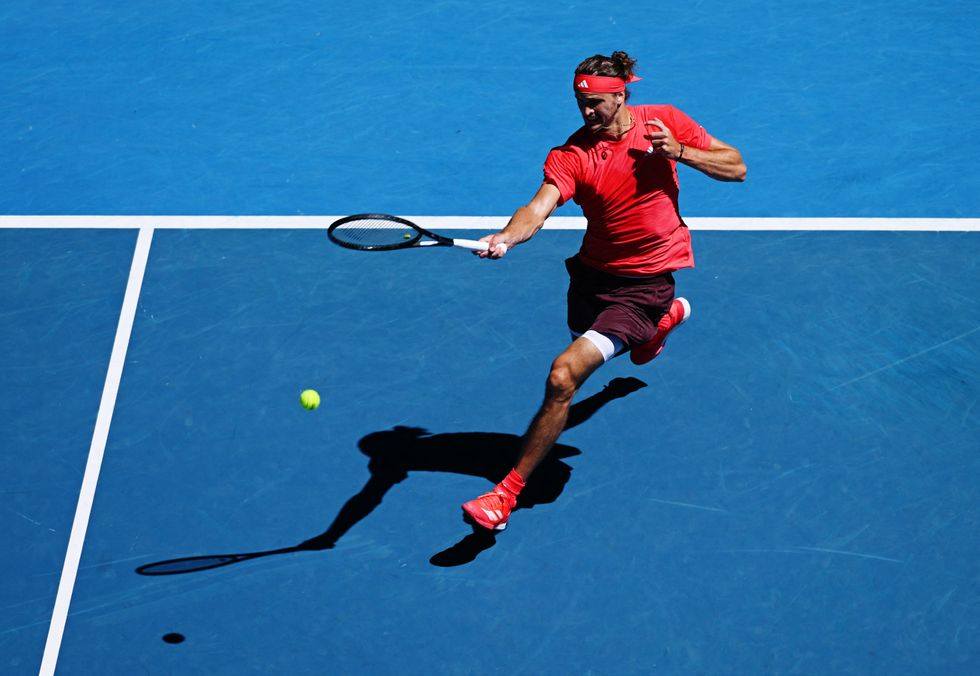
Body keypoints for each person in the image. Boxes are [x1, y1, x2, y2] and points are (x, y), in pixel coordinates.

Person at [461, 51, 746, 532]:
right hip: (593, 277)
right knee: (584, 342)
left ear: (620, 94)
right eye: (580, 102)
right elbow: (538, 208)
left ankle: (503, 497)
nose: (586, 112)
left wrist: (679, 152)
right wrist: (507, 235)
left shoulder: (664, 123)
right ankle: (657, 329)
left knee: (563, 377)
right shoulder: (571, 155)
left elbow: (735, 167)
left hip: (647, 284)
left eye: (595, 102)